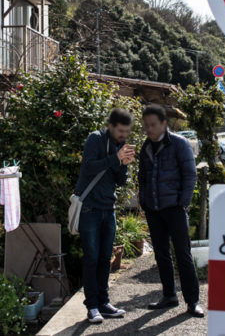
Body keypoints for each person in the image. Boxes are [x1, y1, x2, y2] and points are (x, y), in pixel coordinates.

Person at [138, 104, 204, 318]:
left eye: (153, 124)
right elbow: (142, 177)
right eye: (146, 125)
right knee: (161, 254)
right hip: (153, 209)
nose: (149, 129)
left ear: (163, 123)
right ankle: (169, 295)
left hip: (175, 208)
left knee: (183, 254)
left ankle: (193, 301)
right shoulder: (146, 147)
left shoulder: (179, 143)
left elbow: (190, 175)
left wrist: (183, 203)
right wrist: (144, 201)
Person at [76, 108, 136, 324]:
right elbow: (89, 167)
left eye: (126, 132)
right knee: (91, 258)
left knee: (104, 258)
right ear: (111, 126)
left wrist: (124, 166)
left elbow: (120, 181)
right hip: (90, 208)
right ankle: (92, 306)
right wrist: (115, 158)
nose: (123, 135)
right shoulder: (95, 139)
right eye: (120, 131)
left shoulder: (120, 145)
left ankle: (104, 303)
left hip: (108, 208)